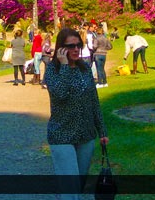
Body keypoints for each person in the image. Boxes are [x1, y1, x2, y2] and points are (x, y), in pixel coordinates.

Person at [44, 28, 109, 200]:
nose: (75, 49)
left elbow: (93, 101)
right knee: (70, 188)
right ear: (60, 48)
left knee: (77, 186)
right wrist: (64, 65)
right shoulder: (52, 70)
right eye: (70, 46)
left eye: (78, 45)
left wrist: (102, 130)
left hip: (85, 135)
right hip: (62, 134)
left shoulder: (85, 69)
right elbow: (60, 93)